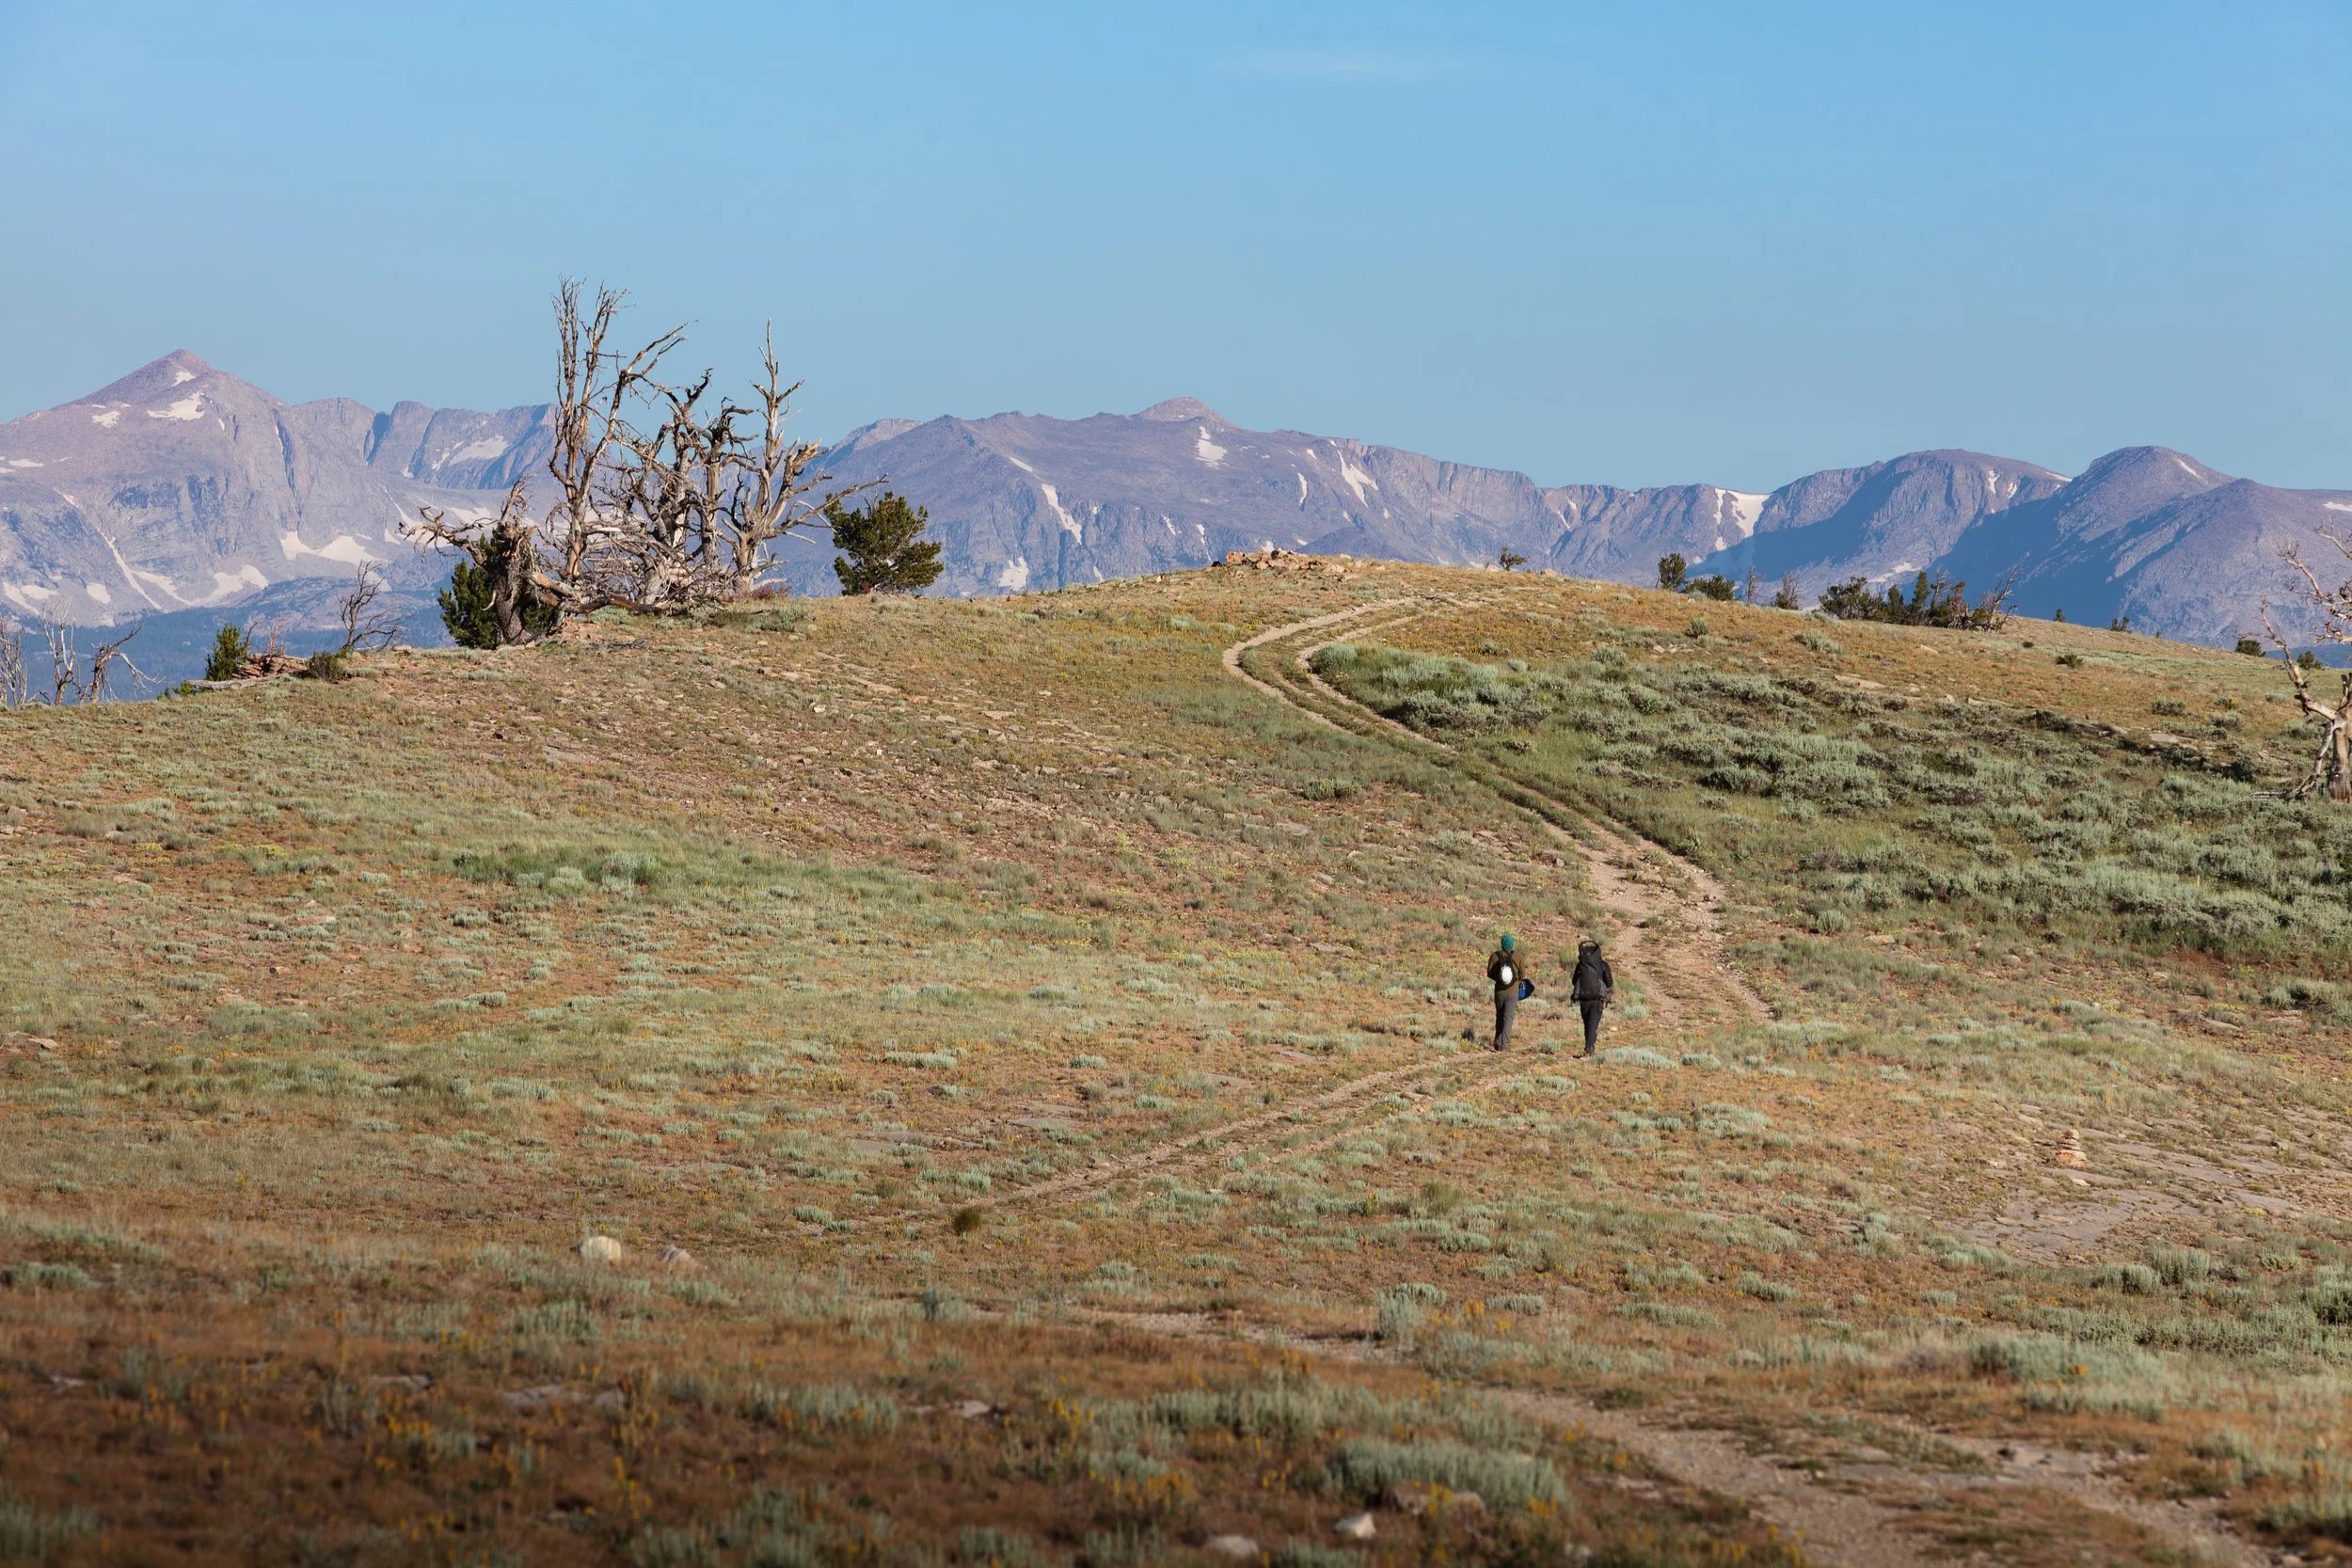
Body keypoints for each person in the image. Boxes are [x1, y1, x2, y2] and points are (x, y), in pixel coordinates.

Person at [1485, 933, 1529, 1051]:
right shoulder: (1518, 956)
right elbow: (1523, 975)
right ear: (1512, 944)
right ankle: (1505, 1045)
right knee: (1508, 1018)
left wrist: (1500, 980)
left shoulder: (1494, 956)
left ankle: (1497, 1043)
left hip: (1499, 992)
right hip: (1513, 992)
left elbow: (1489, 973)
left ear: (1502, 944)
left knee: (1499, 1016)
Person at [1571, 939, 1613, 1056]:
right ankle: (1588, 1050)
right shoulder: (1603, 965)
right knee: (1592, 1025)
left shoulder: (1581, 965)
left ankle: (1589, 1048)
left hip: (1583, 999)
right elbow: (1609, 983)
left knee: (1587, 1025)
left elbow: (1574, 981)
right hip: (1597, 1000)